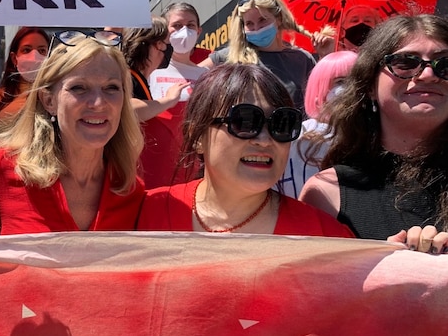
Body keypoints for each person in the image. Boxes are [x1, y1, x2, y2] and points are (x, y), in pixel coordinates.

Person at [138, 63, 353, 237]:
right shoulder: (141, 216)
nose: (265, 139)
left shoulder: (325, 237)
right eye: (245, 121)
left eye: (282, 123)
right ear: (198, 137)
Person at [300, 15, 448, 252]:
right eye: (406, 63)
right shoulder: (328, 193)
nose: (428, 75)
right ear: (369, 85)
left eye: (445, 64)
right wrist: (376, 268)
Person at [0, 33, 145, 234]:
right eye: (79, 88)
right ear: (49, 101)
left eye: (111, 87)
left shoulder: (131, 191)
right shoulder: (2, 167)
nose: (99, 103)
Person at [201, 0, 316, 111]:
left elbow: (321, 99)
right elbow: (192, 76)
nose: (256, 28)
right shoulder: (231, 56)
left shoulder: (302, 59)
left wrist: (326, 54)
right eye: (249, 23)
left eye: (262, 20)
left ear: (279, 19)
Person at [277, 51, 357, 198]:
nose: (352, 88)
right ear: (321, 90)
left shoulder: (376, 135)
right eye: (340, 81)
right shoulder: (298, 137)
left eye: (357, 80)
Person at [121, 15, 188, 188]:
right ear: (154, 44)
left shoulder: (139, 78)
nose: (166, 50)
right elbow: (128, 110)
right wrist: (168, 100)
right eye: (165, 44)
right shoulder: (126, 75)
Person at [0, 27, 50, 131]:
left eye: (42, 51)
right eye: (26, 50)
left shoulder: (55, 96)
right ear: (14, 58)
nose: (34, 57)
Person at [164, 2, 212, 67]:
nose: (185, 31)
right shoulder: (151, 68)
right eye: (177, 25)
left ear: (198, 32)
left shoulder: (212, 59)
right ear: (164, 31)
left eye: (190, 25)